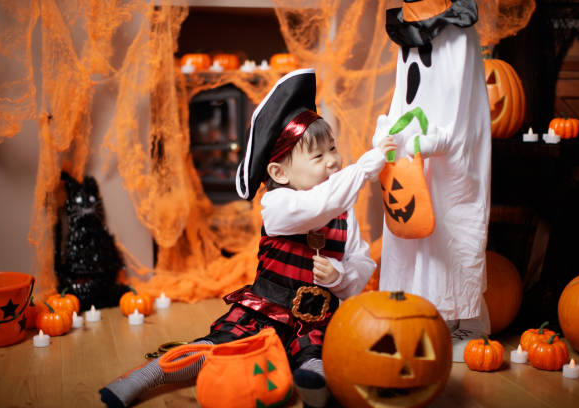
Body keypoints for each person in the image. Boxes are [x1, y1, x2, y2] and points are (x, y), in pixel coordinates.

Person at [100, 68, 396, 408]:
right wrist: (364, 167)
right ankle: (147, 376)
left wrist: (340, 275)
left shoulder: (345, 212)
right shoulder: (278, 205)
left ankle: (318, 387)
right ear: (279, 173)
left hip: (316, 320)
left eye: (333, 149)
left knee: (316, 355)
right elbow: (317, 206)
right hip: (265, 311)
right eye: (318, 156)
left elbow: (361, 261)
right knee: (218, 348)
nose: (333, 161)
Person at [373, 0, 492, 362]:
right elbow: (405, 94)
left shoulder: (457, 39)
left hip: (449, 155)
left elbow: (458, 105)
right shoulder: (408, 36)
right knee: (410, 230)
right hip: (412, 153)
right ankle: (412, 311)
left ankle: (460, 319)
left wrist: (432, 141)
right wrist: (391, 132)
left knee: (449, 227)